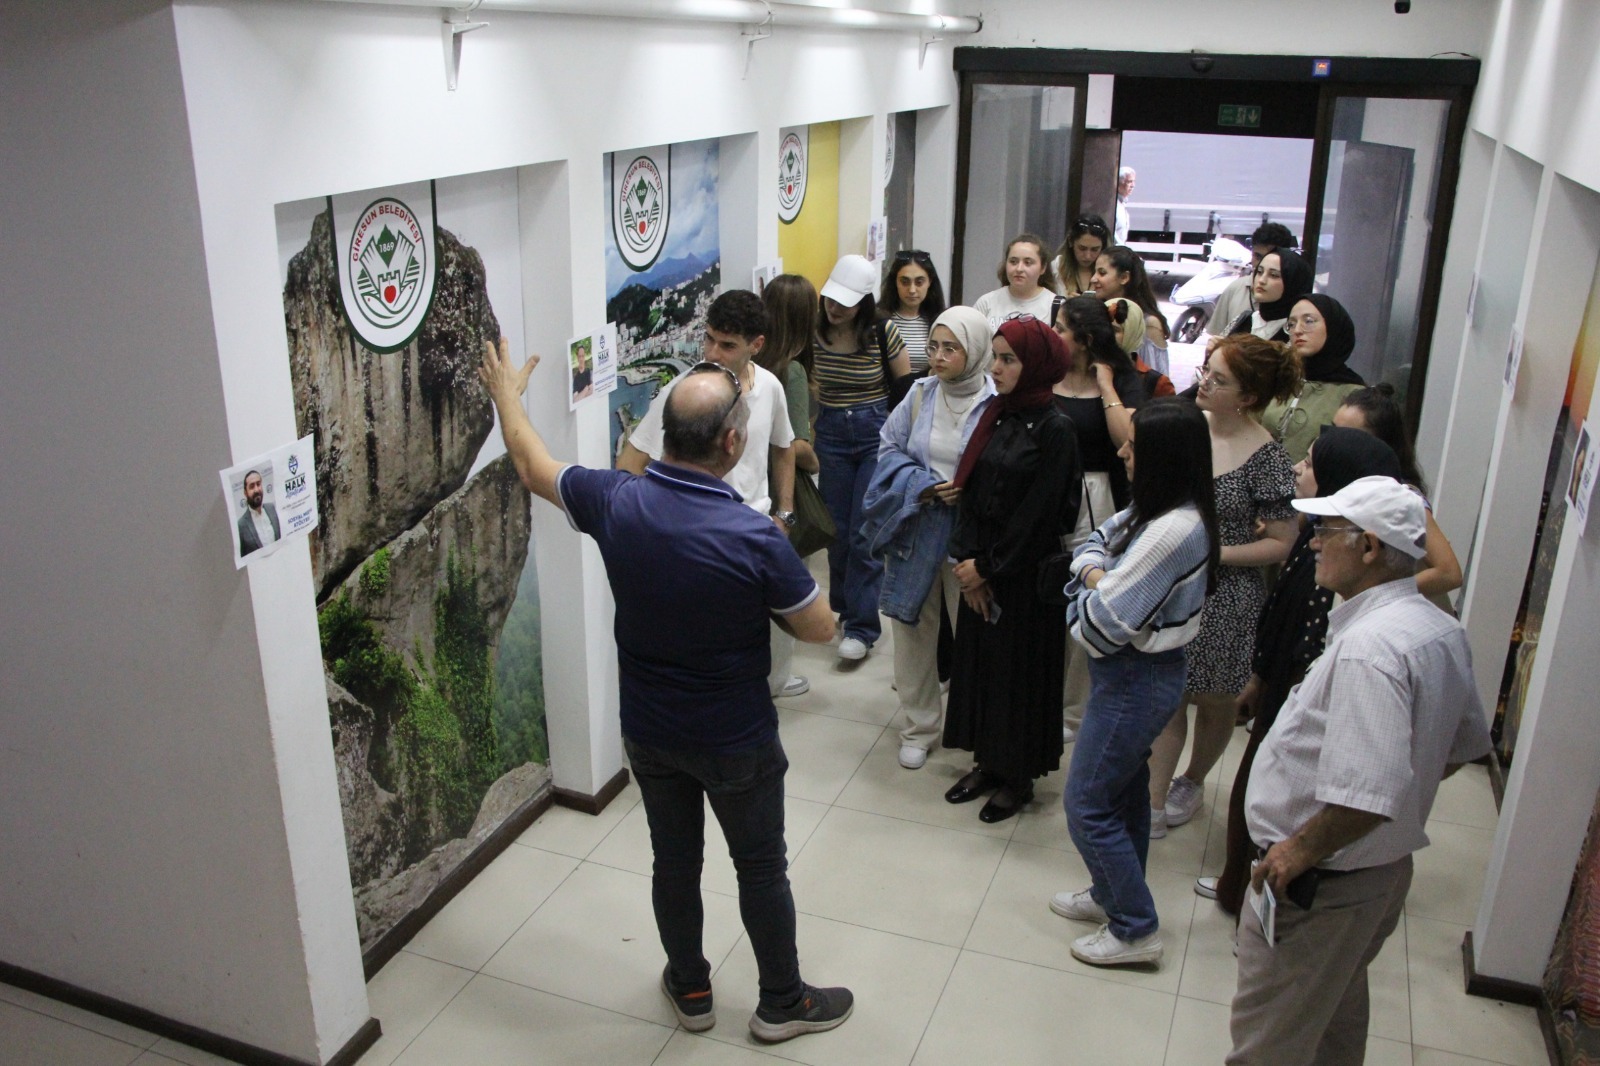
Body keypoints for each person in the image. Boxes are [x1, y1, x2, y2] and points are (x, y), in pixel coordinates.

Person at [479, 342, 854, 1044]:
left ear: (666, 436)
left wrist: (505, 391)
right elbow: (818, 630)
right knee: (761, 868)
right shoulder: (751, 536)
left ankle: (690, 989)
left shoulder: (618, 500)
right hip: (735, 737)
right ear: (734, 442)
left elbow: (532, 465)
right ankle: (782, 1004)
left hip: (650, 731)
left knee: (674, 863)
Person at [1228, 475, 1492, 1065]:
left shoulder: (1370, 650)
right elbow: (1461, 746)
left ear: (1370, 547)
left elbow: (1368, 794)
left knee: (1268, 1046)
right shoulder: (1438, 629)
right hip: (1377, 875)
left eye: (1326, 531)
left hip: (1325, 884)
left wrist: (1294, 853)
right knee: (1331, 1028)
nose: (1314, 543)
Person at [1195, 428, 1405, 915]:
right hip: (1279, 683)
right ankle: (1238, 887)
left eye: (1308, 464)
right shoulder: (1318, 532)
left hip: (1302, 691)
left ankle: (1259, 902)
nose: (1295, 469)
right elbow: (1282, 615)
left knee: (1283, 799)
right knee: (1252, 787)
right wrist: (1260, 677)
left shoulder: (1346, 558)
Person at [1052, 398, 1219, 967]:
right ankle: (1111, 895)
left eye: (1133, 448)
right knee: (1122, 795)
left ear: (1164, 459)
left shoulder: (1173, 530)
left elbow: (1097, 628)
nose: (1122, 453)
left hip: (1136, 680)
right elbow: (1093, 539)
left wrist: (1091, 579)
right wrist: (1098, 574)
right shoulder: (1158, 509)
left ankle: (1134, 927)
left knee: (1086, 803)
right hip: (1137, 677)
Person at [1148, 336, 1301, 838]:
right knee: (1169, 695)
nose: (1205, 382)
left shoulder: (1267, 458)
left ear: (1248, 397)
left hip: (1227, 594)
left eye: (1220, 379)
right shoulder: (1189, 426)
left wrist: (1215, 554)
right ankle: (1151, 800)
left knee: (1213, 699)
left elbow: (1282, 541)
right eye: (1207, 371)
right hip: (1173, 580)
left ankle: (1191, 780)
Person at [619, 290, 806, 698]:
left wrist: (785, 514)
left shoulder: (771, 387)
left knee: (773, 652)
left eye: (727, 345)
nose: (713, 353)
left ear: (756, 345)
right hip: (699, 541)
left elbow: (784, 447)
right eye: (708, 339)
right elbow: (630, 464)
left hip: (755, 531)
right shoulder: (685, 392)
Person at [942, 316, 1080, 822]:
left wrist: (990, 570)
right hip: (980, 568)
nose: (996, 368)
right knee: (981, 670)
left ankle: (1016, 776)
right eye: (995, 357)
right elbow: (970, 493)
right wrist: (966, 562)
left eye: (1008, 359)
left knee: (1017, 677)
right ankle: (987, 760)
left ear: (1036, 365)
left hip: (1020, 579)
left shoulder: (1055, 429)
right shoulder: (997, 414)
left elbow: (1041, 516)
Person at [862, 306, 996, 770]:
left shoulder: (997, 401)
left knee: (974, 631)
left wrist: (971, 488)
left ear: (975, 352)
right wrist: (921, 483)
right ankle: (919, 726)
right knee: (914, 627)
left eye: (950, 348)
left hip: (970, 534)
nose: (937, 357)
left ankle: (975, 725)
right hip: (919, 524)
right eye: (933, 347)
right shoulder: (920, 395)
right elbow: (888, 448)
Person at [1050, 296, 1151, 745]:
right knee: (1045, 597)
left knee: (1084, 601)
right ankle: (1042, 695)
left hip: (1097, 498)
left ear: (1086, 340)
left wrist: (1106, 384)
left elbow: (1127, 440)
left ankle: (1074, 710)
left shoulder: (1123, 377)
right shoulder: (1046, 371)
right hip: (1048, 493)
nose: (1053, 333)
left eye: (1061, 327)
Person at [813, 254, 911, 661]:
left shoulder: (883, 330)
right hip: (831, 434)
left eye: (845, 303)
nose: (835, 309)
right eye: (831, 300)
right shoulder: (813, 330)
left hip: (874, 433)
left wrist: (898, 439)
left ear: (864, 302)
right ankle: (845, 605)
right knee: (835, 531)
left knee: (864, 532)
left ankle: (862, 627)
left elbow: (905, 386)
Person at [1334, 384, 1464, 599]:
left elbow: (1449, 573)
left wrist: (1372, 594)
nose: (1331, 443)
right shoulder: (1343, 480)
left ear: (1379, 444)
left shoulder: (1401, 497)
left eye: (1348, 437)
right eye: (1331, 431)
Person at [1260, 293, 1366, 464]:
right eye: (1291, 324)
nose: (1298, 330)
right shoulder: (1281, 378)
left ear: (1333, 327)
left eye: (1308, 321)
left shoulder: (1353, 394)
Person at [759, 274, 819, 481]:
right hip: (778, 480)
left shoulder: (752, 360)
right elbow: (795, 445)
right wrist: (814, 463)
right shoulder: (792, 372)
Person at [1205, 223, 1298, 346]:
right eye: (1257, 256)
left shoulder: (1298, 303)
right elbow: (1216, 339)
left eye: (1274, 274)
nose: (1262, 264)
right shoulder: (1235, 289)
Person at [1088, 246, 1168, 375]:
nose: (1093, 278)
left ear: (1124, 277)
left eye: (1102, 273)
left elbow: (1154, 379)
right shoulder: (1097, 311)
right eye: (1094, 272)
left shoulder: (1149, 322)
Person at [878, 249, 947, 376]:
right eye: (904, 282)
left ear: (929, 282)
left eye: (919, 282)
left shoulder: (941, 321)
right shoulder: (879, 321)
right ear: (895, 282)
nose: (912, 290)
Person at [1226, 249, 1314, 343]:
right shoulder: (1244, 319)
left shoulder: (1299, 332)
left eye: (1273, 275)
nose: (1262, 280)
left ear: (1293, 283)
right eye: (1259, 272)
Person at [972, 234, 1059, 328]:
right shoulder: (986, 303)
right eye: (1013, 262)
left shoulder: (1056, 306)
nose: (1019, 269)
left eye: (1028, 263)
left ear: (1043, 268)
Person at [1051, 214, 1111, 298]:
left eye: (1095, 249)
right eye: (1082, 248)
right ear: (1070, 242)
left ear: (1103, 247)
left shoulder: (1112, 271)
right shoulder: (1055, 269)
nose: (1088, 256)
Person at [236, 470, 281, 557]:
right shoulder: (241, 525)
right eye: (252, 486)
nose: (256, 490)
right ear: (245, 493)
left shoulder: (272, 508)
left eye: (258, 484)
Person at [1114, 166, 1136, 245]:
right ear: (1119, 183)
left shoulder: (1122, 205)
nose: (1133, 185)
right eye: (1129, 182)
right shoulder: (1113, 206)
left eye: (1134, 182)